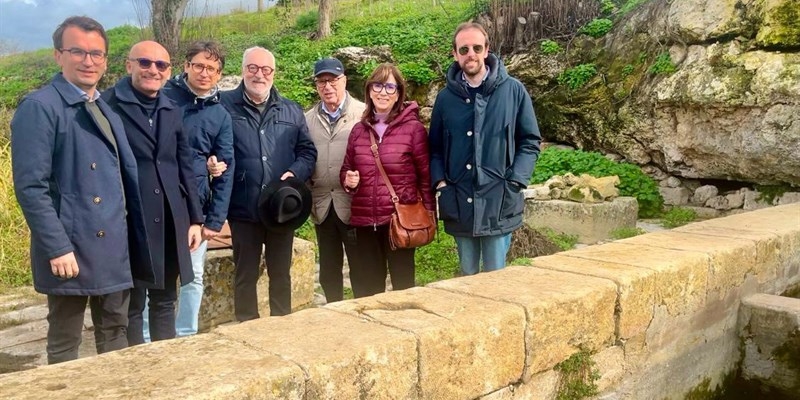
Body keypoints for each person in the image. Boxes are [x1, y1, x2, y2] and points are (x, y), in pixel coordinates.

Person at [10, 16, 151, 364]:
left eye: (97, 54)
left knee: (115, 333)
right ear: (59, 55)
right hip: (70, 250)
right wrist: (57, 247)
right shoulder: (40, 107)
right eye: (78, 52)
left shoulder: (103, 107)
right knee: (65, 340)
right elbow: (31, 187)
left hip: (114, 245)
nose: (88, 61)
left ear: (105, 60)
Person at [103, 40, 204, 345]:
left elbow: (184, 164)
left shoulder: (171, 108)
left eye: (161, 65)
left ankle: (166, 367)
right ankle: (139, 374)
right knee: (132, 304)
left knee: (164, 298)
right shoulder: (107, 106)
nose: (153, 70)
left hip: (171, 216)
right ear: (128, 65)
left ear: (169, 70)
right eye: (145, 62)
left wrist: (195, 219)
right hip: (129, 218)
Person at [428, 22, 541, 276]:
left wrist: (516, 181)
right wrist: (440, 184)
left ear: (487, 50)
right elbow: (434, 148)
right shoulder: (446, 98)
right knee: (467, 277)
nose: (471, 54)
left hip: (499, 201)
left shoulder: (513, 91)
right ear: (455, 54)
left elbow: (530, 141)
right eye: (464, 49)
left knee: (496, 280)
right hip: (459, 199)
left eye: (477, 47)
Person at [219, 47, 317, 319]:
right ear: (243, 70)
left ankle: (281, 330)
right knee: (245, 275)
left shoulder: (291, 109)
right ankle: (248, 331)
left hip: (280, 208)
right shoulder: (222, 105)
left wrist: (294, 173)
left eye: (266, 70)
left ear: (274, 73)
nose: (259, 75)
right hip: (243, 207)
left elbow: (307, 152)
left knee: (281, 274)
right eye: (253, 68)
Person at [156, 40, 234, 337]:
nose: (205, 73)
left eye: (212, 68)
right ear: (186, 66)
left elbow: (226, 167)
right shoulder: (163, 100)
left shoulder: (219, 114)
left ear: (219, 74)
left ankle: (186, 333)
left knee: (194, 275)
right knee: (157, 275)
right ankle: (150, 338)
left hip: (195, 210)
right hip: (159, 203)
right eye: (199, 65)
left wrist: (214, 220)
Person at [340, 63, 434, 298]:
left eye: (390, 87)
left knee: (403, 290)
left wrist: (429, 216)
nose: (383, 92)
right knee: (369, 293)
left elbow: (425, 176)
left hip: (399, 221)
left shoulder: (414, 130)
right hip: (364, 223)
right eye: (378, 85)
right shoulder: (358, 131)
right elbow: (346, 170)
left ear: (399, 93)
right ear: (369, 91)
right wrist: (348, 180)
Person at [304, 58, 365, 303]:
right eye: (321, 81)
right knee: (329, 269)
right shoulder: (306, 119)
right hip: (322, 204)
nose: (327, 86)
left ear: (344, 81)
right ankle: (334, 311)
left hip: (354, 203)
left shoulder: (363, 113)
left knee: (361, 265)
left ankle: (364, 310)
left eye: (332, 80)